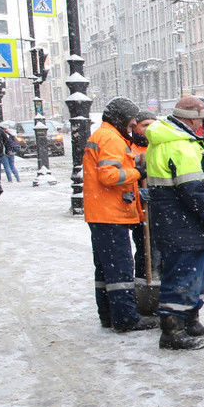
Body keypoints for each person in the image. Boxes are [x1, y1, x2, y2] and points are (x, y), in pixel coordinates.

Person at [145, 95, 204, 350]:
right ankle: (172, 331)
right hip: (182, 222)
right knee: (181, 276)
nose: (202, 125)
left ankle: (190, 319)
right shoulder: (177, 144)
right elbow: (192, 189)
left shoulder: (179, 140)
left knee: (195, 275)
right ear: (189, 120)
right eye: (200, 120)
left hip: (181, 221)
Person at [83, 97, 158, 333]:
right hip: (110, 212)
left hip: (100, 211)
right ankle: (125, 318)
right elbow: (109, 176)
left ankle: (107, 314)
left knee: (105, 268)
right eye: (131, 120)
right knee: (120, 268)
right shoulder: (111, 139)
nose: (133, 124)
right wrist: (137, 171)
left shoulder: (103, 136)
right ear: (121, 118)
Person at [128, 112, 157, 294]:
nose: (149, 128)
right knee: (144, 249)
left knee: (158, 250)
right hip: (139, 210)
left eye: (153, 124)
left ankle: (157, 282)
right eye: (145, 124)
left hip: (159, 208)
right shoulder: (130, 148)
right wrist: (138, 190)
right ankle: (142, 286)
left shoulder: (158, 147)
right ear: (135, 127)